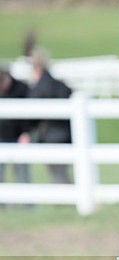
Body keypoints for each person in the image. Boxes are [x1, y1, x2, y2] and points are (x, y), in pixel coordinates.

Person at [27, 48, 73, 184]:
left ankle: (64, 199)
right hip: (65, 132)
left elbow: (32, 114)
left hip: (50, 134)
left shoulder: (38, 88)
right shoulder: (59, 85)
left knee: (57, 170)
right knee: (61, 169)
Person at [0, 68, 32, 187]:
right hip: (1, 136)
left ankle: (26, 202)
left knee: (22, 171)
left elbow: (29, 114)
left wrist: (26, 132)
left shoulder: (21, 88)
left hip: (18, 136)